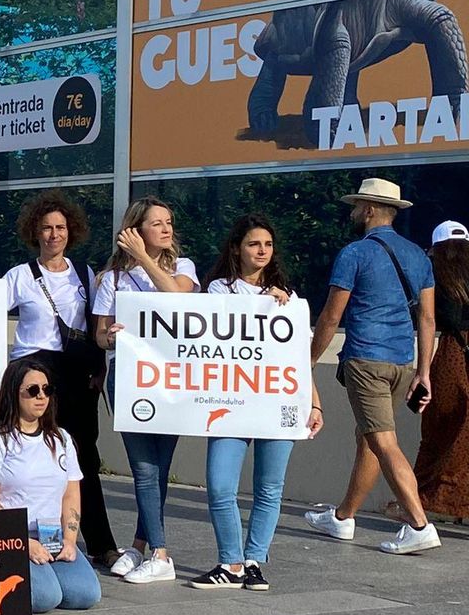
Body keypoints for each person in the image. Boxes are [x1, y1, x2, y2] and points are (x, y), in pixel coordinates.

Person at [304, 178, 442, 554]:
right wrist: (423, 372)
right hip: (402, 361)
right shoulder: (417, 255)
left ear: (368, 210)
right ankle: (344, 517)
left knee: (382, 440)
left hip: (366, 359)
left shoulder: (354, 253)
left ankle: (418, 524)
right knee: (370, 437)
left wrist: (308, 361)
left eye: (356, 206)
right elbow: (427, 320)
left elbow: (332, 316)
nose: (352, 212)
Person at [189, 215, 325, 591]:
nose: (262, 251)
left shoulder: (290, 298)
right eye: (253, 244)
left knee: (269, 487)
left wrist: (315, 404)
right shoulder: (219, 290)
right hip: (231, 404)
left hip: (276, 402)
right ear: (237, 248)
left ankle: (254, 561)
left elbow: (298, 359)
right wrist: (262, 307)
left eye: (267, 244)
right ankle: (229, 562)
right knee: (220, 486)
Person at [2, 190, 117, 565]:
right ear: (35, 233)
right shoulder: (19, 276)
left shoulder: (85, 275)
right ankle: (22, 536)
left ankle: (100, 544)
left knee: (83, 458)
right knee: (28, 453)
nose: (54, 235)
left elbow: (96, 327)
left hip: (76, 375)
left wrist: (100, 370)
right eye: (47, 228)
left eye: (61, 228)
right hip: (31, 373)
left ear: (71, 231)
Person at [92, 195, 199, 584]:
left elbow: (178, 298)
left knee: (160, 466)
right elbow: (99, 334)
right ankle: (158, 551)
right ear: (137, 229)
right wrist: (112, 338)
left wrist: (146, 258)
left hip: (169, 376)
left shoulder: (183, 267)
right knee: (142, 467)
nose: (167, 229)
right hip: (129, 377)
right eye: (158, 223)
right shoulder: (113, 279)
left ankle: (144, 546)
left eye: (169, 222)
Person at [0, 358, 101, 613]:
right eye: (32, 391)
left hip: (52, 536)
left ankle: (48, 572)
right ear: (13, 394)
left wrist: (70, 539)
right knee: (45, 597)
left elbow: (71, 493)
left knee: (86, 595)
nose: (41, 396)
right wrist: (23, 543)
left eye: (47, 389)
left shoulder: (61, 438)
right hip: (11, 536)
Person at [413, 221, 469, 522]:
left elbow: (430, 317)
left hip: (452, 353)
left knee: (440, 428)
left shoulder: (434, 274)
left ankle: (422, 497)